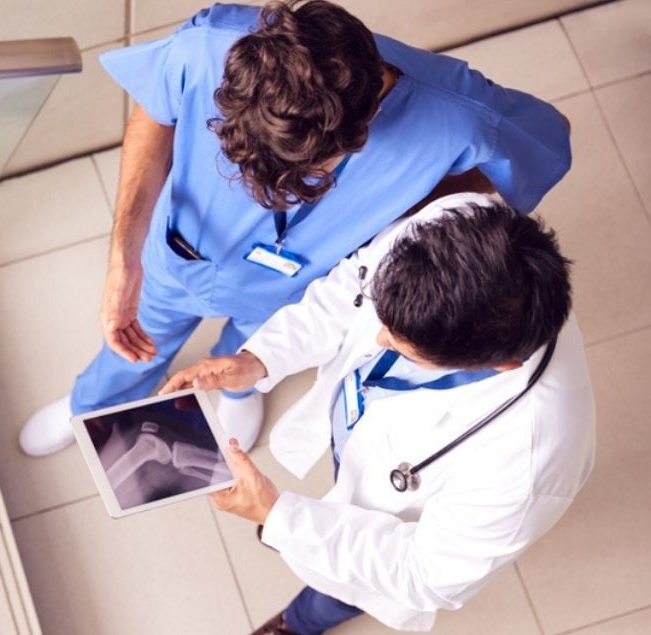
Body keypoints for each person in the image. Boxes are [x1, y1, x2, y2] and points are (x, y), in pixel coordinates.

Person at [18, 0, 572, 457]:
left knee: (255, 348)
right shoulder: (208, 46)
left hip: (301, 286)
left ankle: (243, 391)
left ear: (363, 127)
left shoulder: (463, 115)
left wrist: (420, 203)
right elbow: (154, 108)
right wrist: (124, 257)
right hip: (183, 255)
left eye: (296, 174)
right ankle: (90, 405)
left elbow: (544, 143)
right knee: (137, 335)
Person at [158, 192, 594, 634]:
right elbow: (351, 287)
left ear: (497, 364)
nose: (377, 338)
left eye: (403, 345)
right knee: (328, 512)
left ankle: (300, 622)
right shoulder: (454, 225)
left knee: (338, 589)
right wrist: (258, 360)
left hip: (402, 532)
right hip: (363, 432)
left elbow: (421, 575)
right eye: (384, 320)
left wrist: (279, 516)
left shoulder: (528, 461)